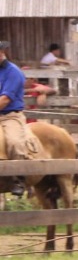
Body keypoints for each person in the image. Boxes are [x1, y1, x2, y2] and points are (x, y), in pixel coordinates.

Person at [0, 40, 39, 193]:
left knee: (14, 142)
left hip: (9, 116)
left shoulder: (13, 72)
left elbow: (5, 100)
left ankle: (19, 179)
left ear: (2, 53)